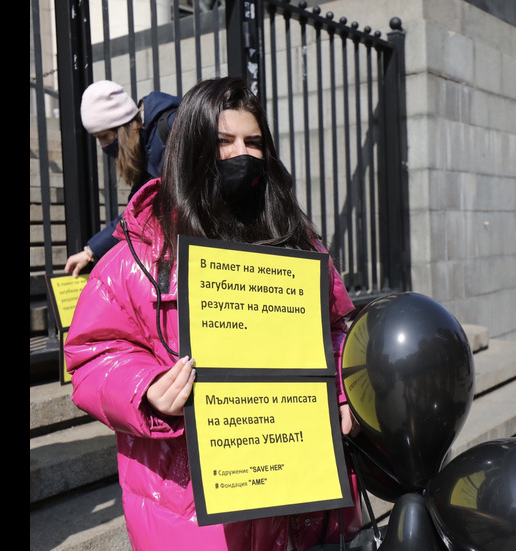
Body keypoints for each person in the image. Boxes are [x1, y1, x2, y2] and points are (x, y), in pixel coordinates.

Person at [63, 77, 362, 550]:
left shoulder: (298, 243)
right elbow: (91, 355)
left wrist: (344, 388)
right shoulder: (139, 254)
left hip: (299, 502)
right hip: (190, 516)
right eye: (223, 141)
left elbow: (337, 329)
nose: (240, 154)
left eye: (254, 142)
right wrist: (144, 389)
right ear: (191, 148)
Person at [63, 80, 182, 277]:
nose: (103, 146)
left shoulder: (169, 129)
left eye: (104, 136)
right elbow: (132, 214)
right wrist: (90, 251)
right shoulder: (148, 146)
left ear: (121, 128)